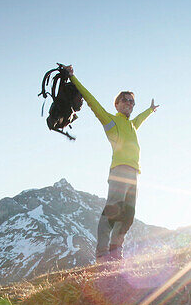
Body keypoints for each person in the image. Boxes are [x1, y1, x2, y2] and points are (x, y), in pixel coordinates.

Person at [65, 65, 160, 262]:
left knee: (128, 215)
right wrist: (73, 78)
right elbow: (91, 101)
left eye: (132, 101)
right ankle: (102, 254)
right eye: (124, 100)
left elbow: (140, 118)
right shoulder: (111, 121)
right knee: (112, 211)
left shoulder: (132, 125)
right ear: (116, 105)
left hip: (135, 173)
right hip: (119, 171)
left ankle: (116, 253)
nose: (129, 103)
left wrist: (150, 110)